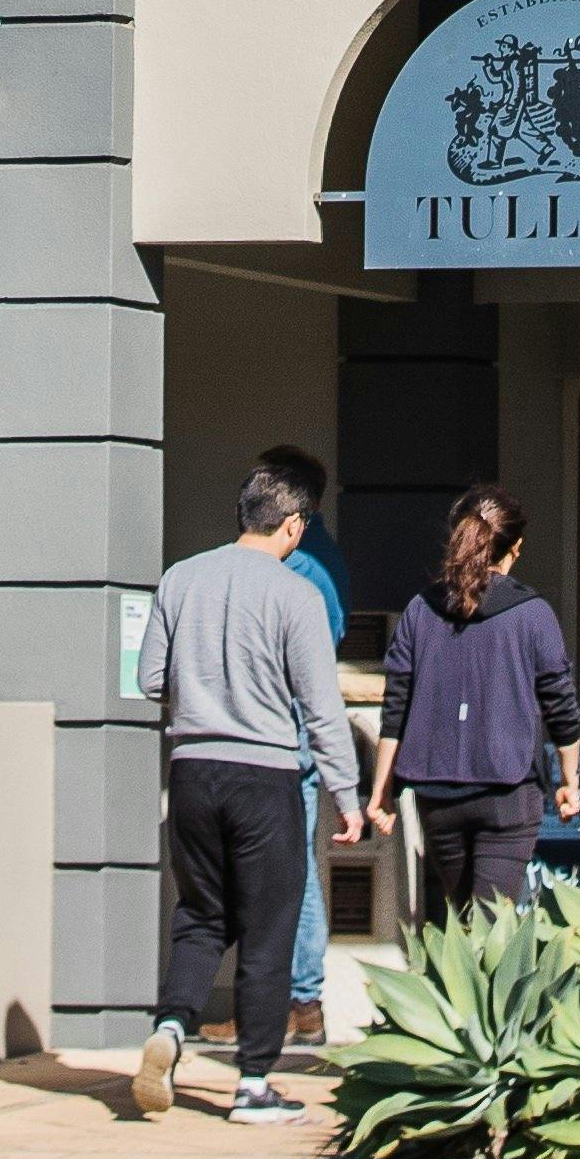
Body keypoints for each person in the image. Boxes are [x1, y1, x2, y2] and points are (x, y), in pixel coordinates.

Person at [132, 464, 363, 1125]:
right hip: (265, 773)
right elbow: (322, 708)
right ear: (293, 525)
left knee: (201, 914)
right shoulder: (296, 597)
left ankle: (173, 1027)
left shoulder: (181, 577)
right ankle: (254, 1084)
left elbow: (152, 679)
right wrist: (347, 797)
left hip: (193, 768)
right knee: (268, 929)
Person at [364, 487, 579, 930]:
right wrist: (569, 781)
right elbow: (561, 704)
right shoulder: (533, 614)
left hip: (436, 794)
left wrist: (381, 790)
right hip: (508, 790)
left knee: (464, 922)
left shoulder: (420, 611)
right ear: (515, 547)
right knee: (488, 934)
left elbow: (395, 707)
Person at [253, 443, 345, 1048]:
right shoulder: (320, 557)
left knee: (288, 872)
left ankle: (298, 1002)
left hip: (282, 736)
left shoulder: (300, 563)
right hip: (288, 735)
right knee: (286, 870)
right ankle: (281, 1003)